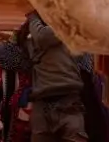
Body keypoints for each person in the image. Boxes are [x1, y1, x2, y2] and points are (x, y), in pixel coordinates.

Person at [26, 10, 89, 142]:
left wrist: (32, 17)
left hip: (67, 100)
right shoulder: (32, 37)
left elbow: (43, 37)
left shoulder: (64, 29)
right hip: (44, 102)